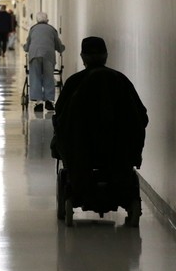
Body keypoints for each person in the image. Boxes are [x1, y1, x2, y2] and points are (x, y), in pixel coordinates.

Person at [52, 36, 148, 172]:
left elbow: (60, 113)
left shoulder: (74, 82)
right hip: (121, 153)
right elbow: (141, 115)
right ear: (106, 56)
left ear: (82, 57)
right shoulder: (120, 80)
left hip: (80, 152)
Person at [22, 12, 65, 111]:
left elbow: (28, 45)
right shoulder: (52, 29)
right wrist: (61, 48)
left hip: (34, 55)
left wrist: (25, 48)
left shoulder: (33, 29)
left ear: (37, 20)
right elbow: (58, 44)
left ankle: (39, 102)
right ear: (47, 20)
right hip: (48, 55)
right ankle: (49, 102)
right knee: (48, 77)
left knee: (35, 77)